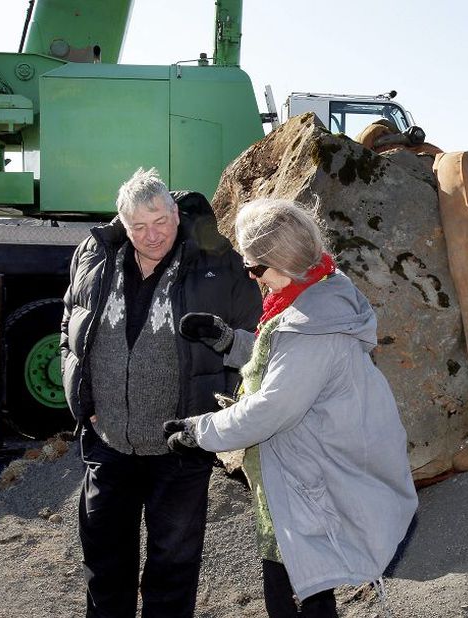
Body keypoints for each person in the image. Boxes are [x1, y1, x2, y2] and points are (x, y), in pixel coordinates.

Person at [165, 198, 418, 617]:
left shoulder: (312, 325)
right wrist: (230, 342)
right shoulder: (311, 298)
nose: (252, 277)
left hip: (305, 485)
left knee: (299, 598)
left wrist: (199, 431)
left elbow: (271, 407)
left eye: (255, 268)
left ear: (280, 259)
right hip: (295, 476)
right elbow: (283, 365)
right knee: (297, 591)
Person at [60, 167, 262, 617]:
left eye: (161, 223)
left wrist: (211, 408)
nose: (152, 236)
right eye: (139, 227)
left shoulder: (218, 260)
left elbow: (254, 340)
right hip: (107, 443)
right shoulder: (94, 254)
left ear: (175, 212)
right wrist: (83, 402)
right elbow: (69, 327)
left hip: (180, 448)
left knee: (172, 570)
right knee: (105, 568)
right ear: (122, 223)